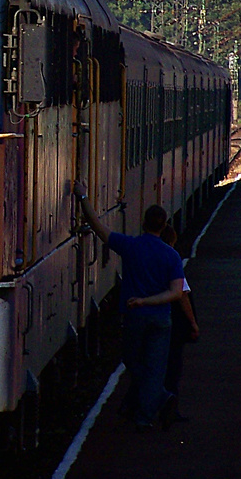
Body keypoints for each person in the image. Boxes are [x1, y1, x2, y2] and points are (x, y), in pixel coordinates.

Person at [72, 181, 184, 428]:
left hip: (135, 315)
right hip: (161, 319)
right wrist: (152, 300)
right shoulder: (172, 256)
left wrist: (83, 198)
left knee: (133, 362)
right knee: (155, 368)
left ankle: (158, 402)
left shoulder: (131, 246)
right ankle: (149, 412)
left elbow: (99, 228)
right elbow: (176, 293)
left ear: (144, 223)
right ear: (164, 225)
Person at [160, 224, 200, 427]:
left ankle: (143, 408)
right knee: (173, 369)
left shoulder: (148, 258)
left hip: (150, 319)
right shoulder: (172, 259)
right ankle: (170, 409)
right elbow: (182, 295)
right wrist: (193, 324)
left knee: (153, 366)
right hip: (172, 325)